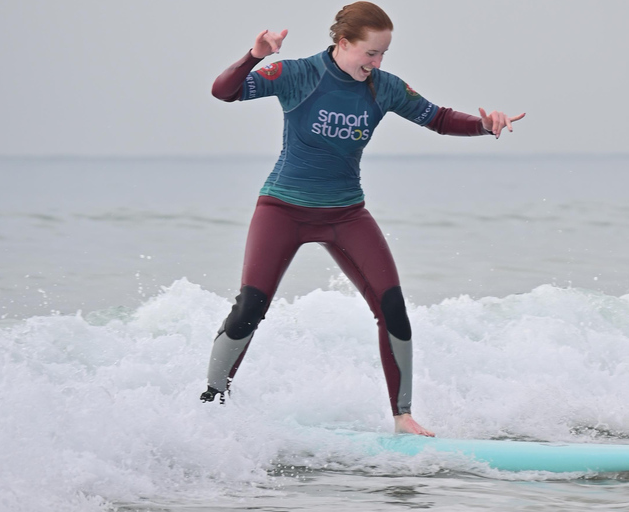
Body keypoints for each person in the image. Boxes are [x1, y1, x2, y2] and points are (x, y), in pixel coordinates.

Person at [200, 1, 525, 437]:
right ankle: (212, 402)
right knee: (249, 309)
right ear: (343, 43)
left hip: (346, 212)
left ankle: (403, 417)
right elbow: (224, 92)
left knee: (392, 307)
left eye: (383, 54)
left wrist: (484, 125)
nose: (377, 63)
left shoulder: (384, 87)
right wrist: (255, 55)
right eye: (370, 53)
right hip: (283, 208)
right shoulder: (298, 74)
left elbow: (439, 118)